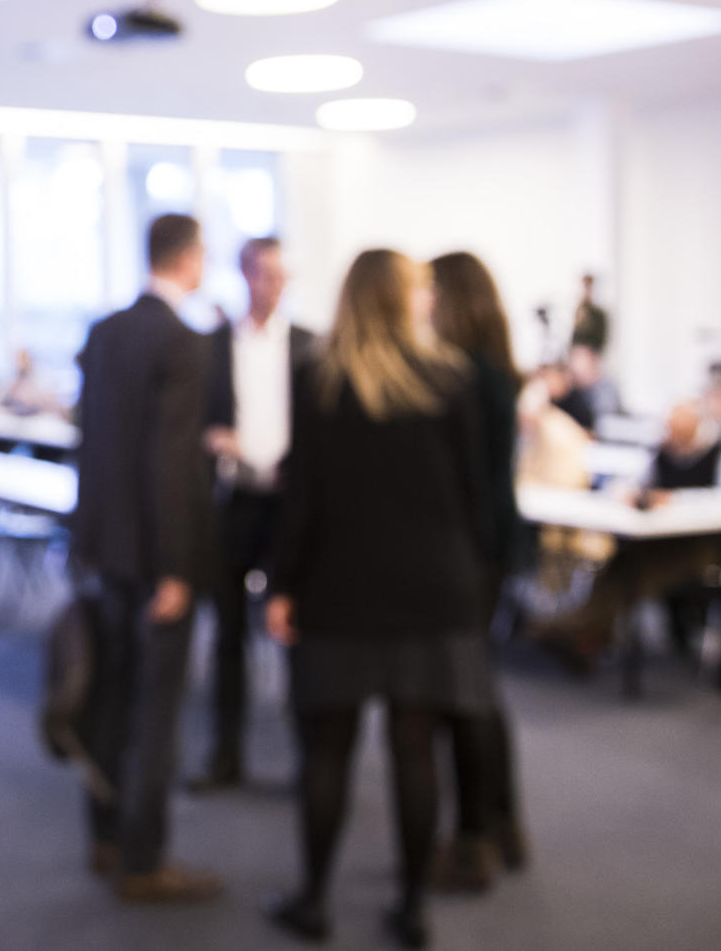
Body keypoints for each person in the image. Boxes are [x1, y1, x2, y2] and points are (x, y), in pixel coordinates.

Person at [264, 249, 490, 948]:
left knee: (326, 752)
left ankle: (313, 901)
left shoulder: (318, 379)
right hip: (433, 591)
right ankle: (412, 906)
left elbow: (302, 496)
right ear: (398, 299)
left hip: (340, 588)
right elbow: (476, 492)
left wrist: (283, 584)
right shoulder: (451, 378)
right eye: (420, 288)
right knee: (414, 748)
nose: (429, 299)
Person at [71, 213, 221, 903]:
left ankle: (104, 835)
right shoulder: (181, 340)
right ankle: (144, 857)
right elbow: (171, 464)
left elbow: (91, 447)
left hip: (106, 552)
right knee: (155, 712)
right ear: (190, 259)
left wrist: (89, 548)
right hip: (154, 558)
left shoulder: (104, 332)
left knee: (109, 692)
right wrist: (177, 568)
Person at [191, 237, 316, 791]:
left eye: (281, 275)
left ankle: (307, 758)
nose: (272, 285)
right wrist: (213, 438)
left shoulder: (311, 346)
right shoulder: (214, 345)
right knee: (228, 633)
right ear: (244, 275)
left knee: (294, 630)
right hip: (237, 498)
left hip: (290, 501)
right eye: (263, 274)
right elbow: (196, 419)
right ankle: (226, 753)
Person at [427, 251, 529, 893]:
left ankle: (474, 838)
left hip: (464, 552)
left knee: (460, 697)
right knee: (478, 692)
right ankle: (500, 823)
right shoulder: (495, 373)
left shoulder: (464, 377)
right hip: (486, 550)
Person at [531, 401, 721, 672]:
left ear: (696, 428)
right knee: (622, 564)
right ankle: (585, 632)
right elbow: (632, 482)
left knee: (638, 571)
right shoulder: (663, 452)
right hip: (660, 538)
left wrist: (675, 501)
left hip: (707, 547)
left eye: (677, 431)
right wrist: (628, 493)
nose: (670, 437)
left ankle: (576, 628)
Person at [570, 272, 609, 355]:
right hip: (579, 356)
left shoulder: (599, 314)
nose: (585, 291)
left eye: (588, 287)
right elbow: (574, 340)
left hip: (592, 356)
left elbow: (600, 341)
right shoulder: (578, 312)